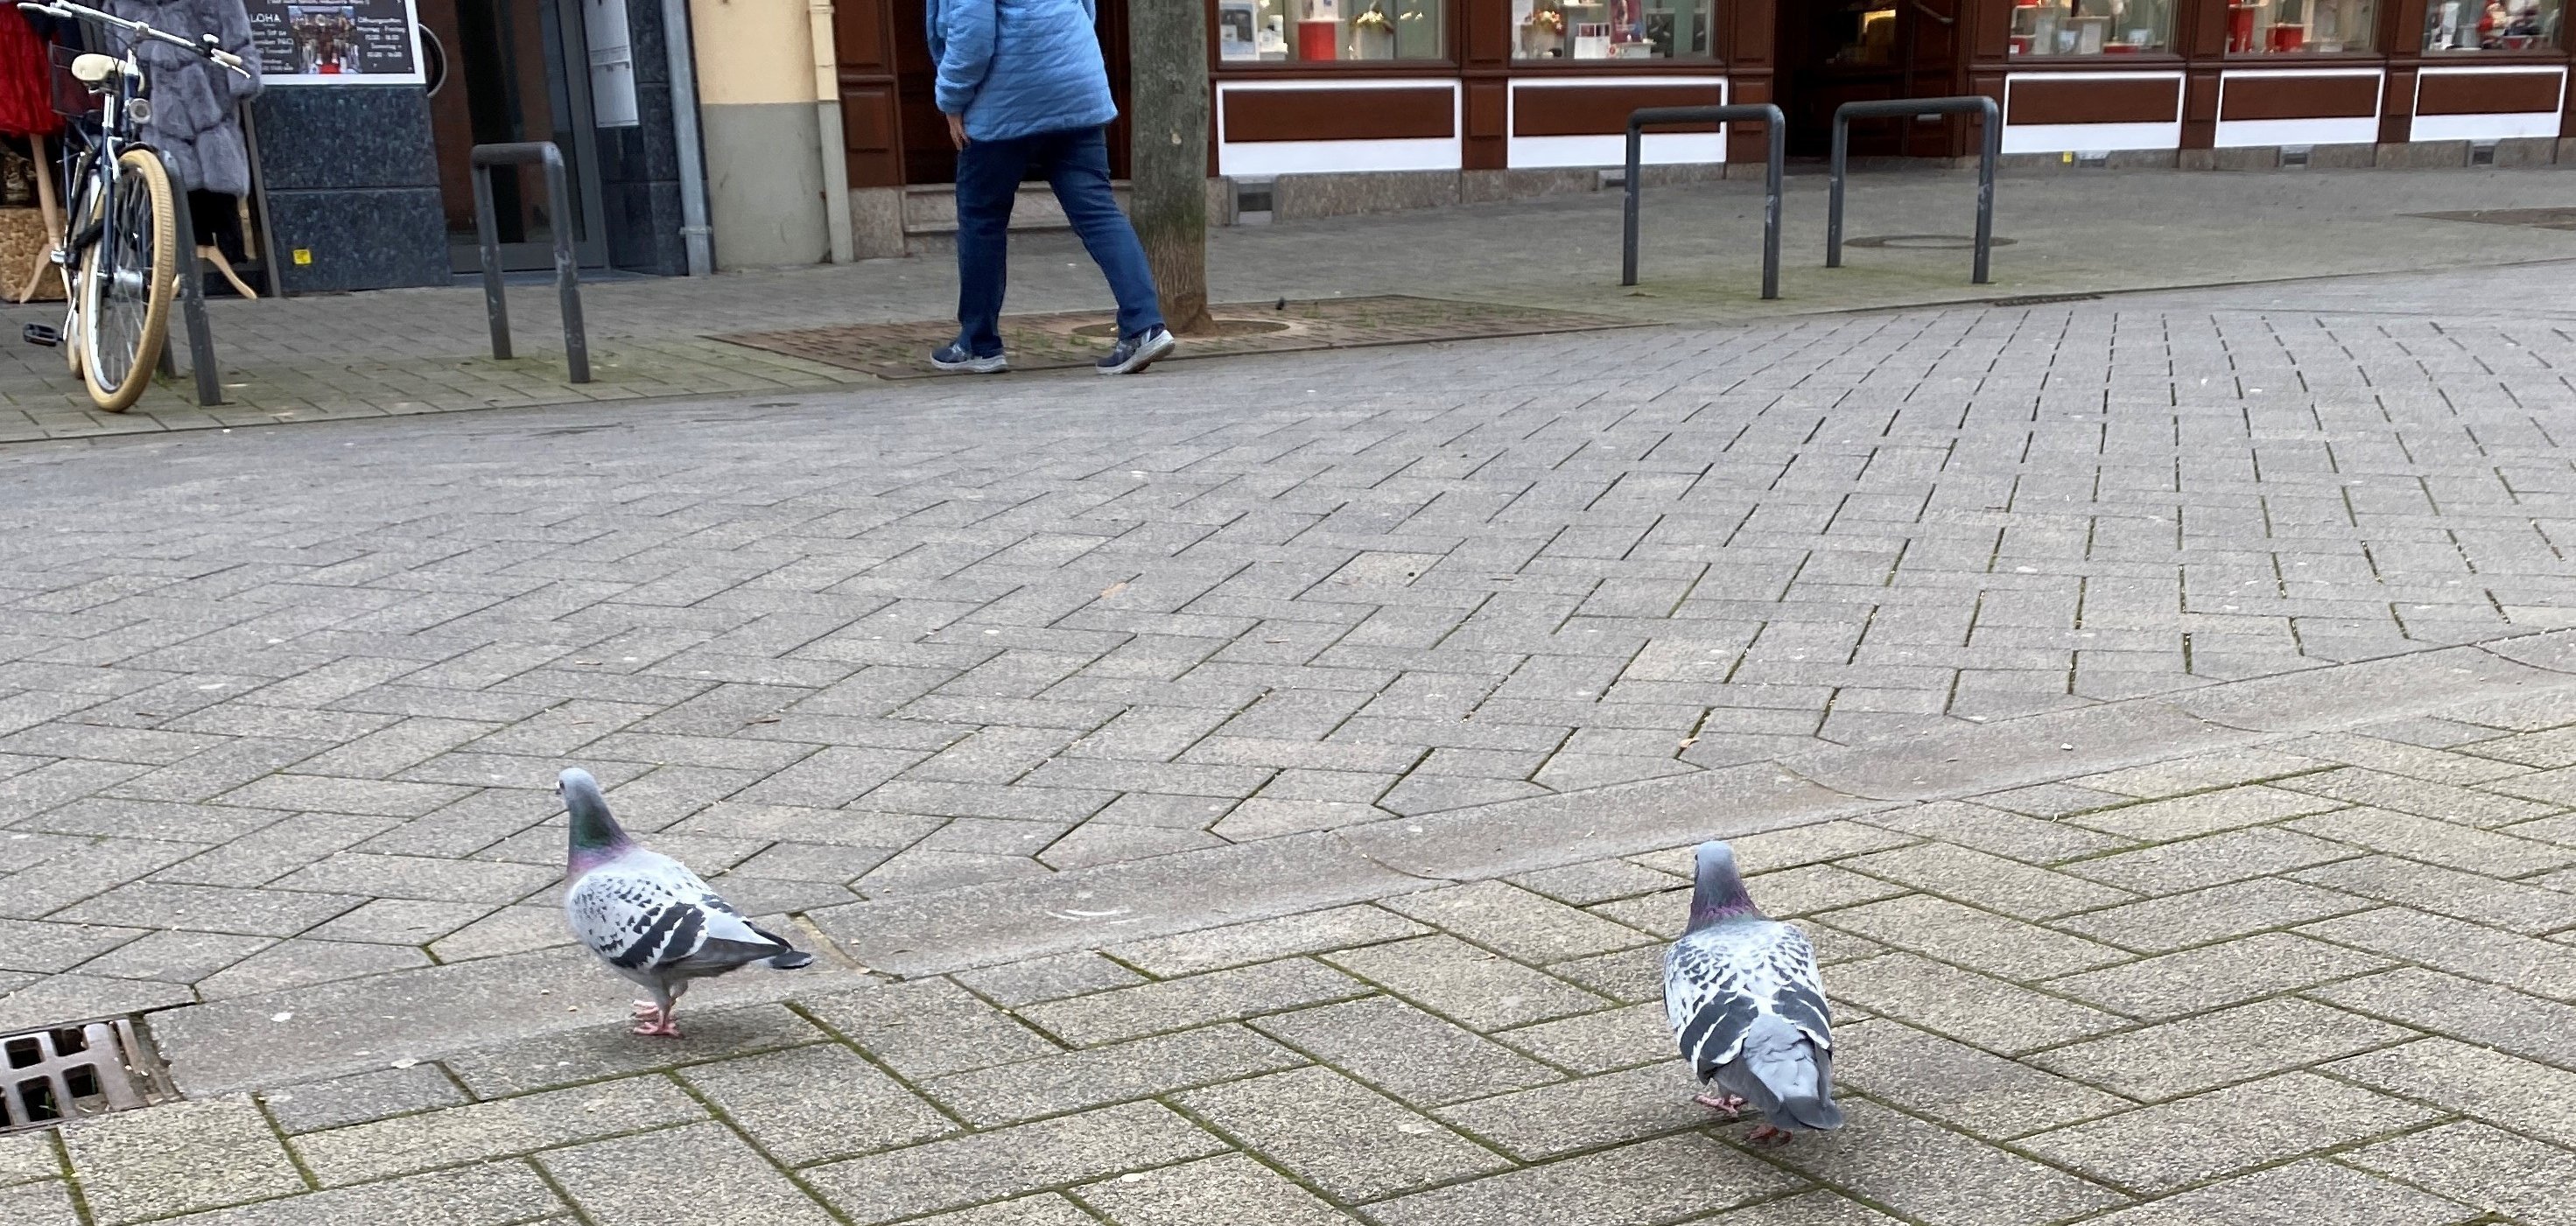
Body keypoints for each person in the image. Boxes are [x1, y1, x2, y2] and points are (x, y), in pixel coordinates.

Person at [927, 0, 1176, 376]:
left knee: (982, 220)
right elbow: (1087, 9)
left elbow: (973, 34)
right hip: (1077, 87)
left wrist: (951, 99)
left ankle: (979, 344)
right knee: (1098, 213)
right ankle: (1145, 327)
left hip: (1002, 99)